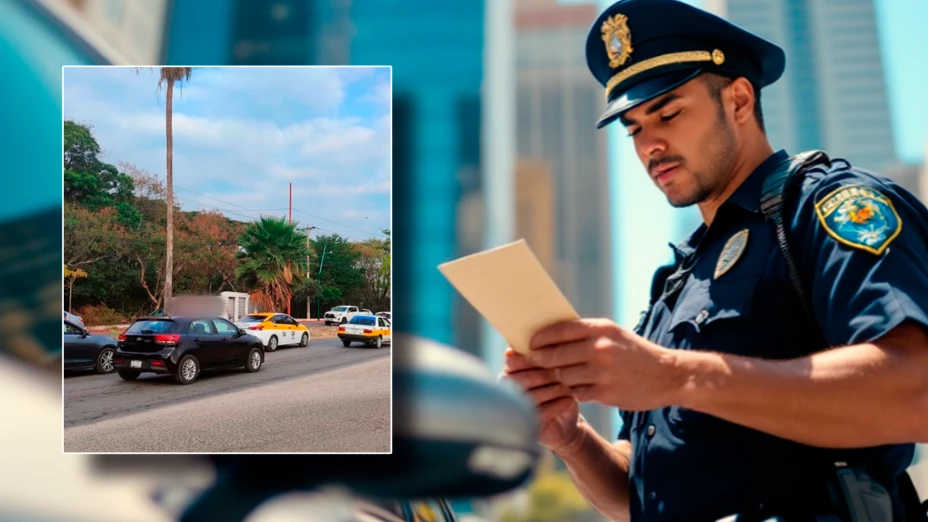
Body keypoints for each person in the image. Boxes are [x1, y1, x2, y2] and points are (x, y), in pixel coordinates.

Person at [501, 0, 928, 521]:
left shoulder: (824, 206)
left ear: (740, 100)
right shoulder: (676, 281)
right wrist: (569, 437)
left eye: (669, 113)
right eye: (633, 128)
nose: (650, 144)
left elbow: (916, 390)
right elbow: (641, 495)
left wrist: (675, 375)